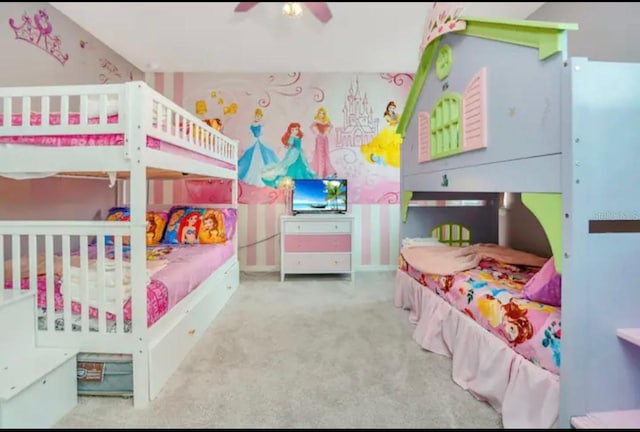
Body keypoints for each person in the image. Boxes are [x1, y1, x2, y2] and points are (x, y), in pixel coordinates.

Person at [261, 122, 317, 189]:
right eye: (292, 130)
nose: (295, 131)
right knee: (290, 166)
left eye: (296, 129)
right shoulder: (292, 136)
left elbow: (299, 145)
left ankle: (300, 181)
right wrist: (291, 138)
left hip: (299, 153)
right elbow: (290, 145)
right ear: (290, 130)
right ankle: (290, 181)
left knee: (302, 166)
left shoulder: (298, 137)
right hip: (293, 153)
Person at [238, 108, 279, 187]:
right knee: (252, 158)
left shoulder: (261, 123)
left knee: (263, 157)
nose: (258, 117)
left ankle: (263, 178)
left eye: (259, 116)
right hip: (254, 141)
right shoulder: (252, 124)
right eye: (257, 116)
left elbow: (263, 133)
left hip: (259, 141)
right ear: (255, 116)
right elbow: (250, 133)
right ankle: (253, 176)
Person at [310, 107, 336, 178]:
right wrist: (317, 133)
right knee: (320, 154)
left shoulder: (326, 121)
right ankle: (320, 172)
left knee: (325, 154)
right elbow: (311, 126)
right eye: (320, 113)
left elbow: (331, 126)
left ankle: (325, 172)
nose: (322, 115)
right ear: (318, 114)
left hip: (324, 138)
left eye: (323, 113)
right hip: (319, 138)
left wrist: (326, 132)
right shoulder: (316, 121)